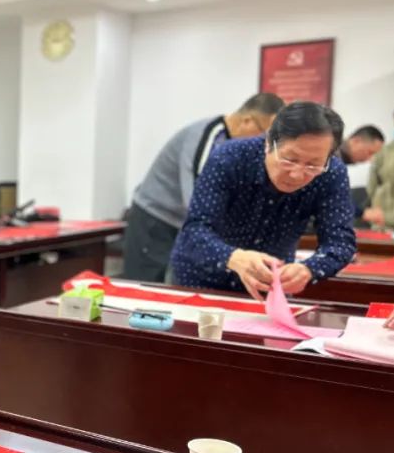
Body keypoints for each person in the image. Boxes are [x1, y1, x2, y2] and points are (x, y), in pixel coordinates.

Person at [171, 101, 355, 301]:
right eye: (290, 160)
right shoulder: (229, 157)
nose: (297, 174)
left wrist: (309, 269)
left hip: (269, 288)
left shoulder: (332, 173)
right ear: (269, 143)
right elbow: (194, 231)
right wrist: (233, 257)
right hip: (202, 280)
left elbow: (340, 242)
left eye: (313, 165)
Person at [122, 93, 285, 282]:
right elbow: (196, 199)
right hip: (156, 220)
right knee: (147, 285)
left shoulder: (238, 146)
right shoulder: (206, 138)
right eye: (265, 134)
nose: (264, 144)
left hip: (184, 224)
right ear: (247, 121)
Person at [338, 124, 384, 219]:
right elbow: (333, 199)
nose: (370, 159)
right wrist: (364, 213)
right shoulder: (332, 158)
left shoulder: (338, 159)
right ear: (356, 141)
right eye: (370, 152)